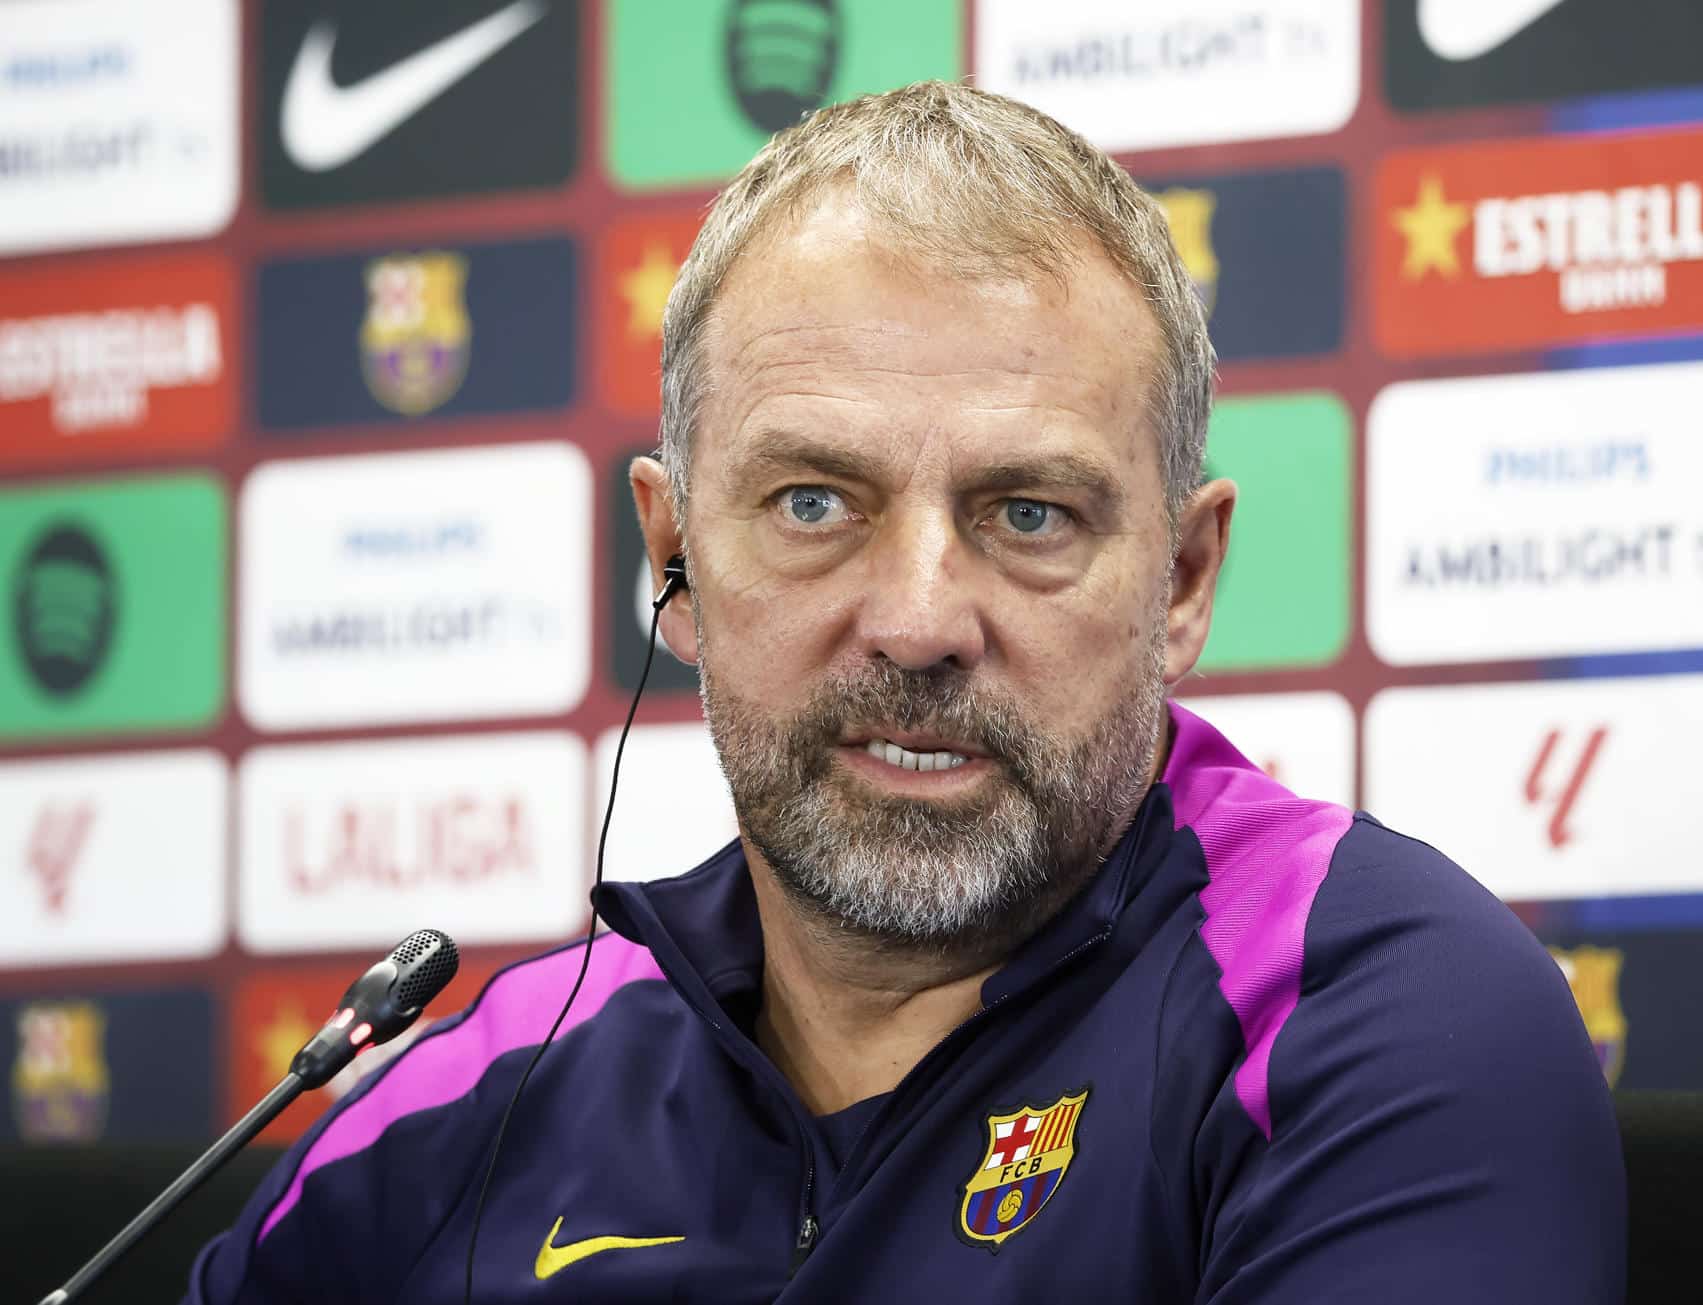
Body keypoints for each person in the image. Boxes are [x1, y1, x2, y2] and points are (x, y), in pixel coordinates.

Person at [188, 81, 1625, 1302]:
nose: (922, 620)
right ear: (675, 559)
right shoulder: (478, 1095)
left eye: (1030, 514)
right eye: (815, 502)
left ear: (1182, 582)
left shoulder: (1371, 1013)